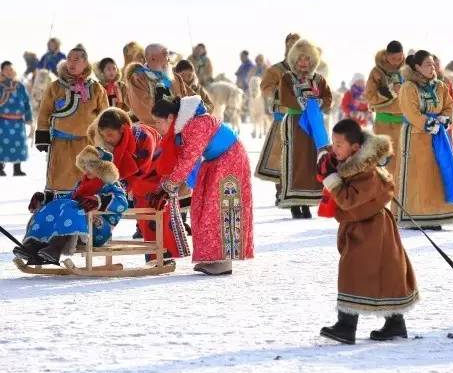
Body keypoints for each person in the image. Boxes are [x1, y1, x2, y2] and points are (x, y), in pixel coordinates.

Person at [318, 119, 418, 344]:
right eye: (333, 144)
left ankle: (346, 325)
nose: (334, 149)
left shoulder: (367, 173)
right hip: (365, 227)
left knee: (353, 272)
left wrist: (331, 179)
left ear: (355, 148)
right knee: (385, 272)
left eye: (338, 145)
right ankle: (395, 323)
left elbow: (348, 199)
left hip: (371, 229)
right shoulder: (353, 163)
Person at [150, 94, 254, 274]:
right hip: (215, 161)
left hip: (230, 159)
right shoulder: (184, 127)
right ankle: (213, 258)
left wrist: (169, 186)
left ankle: (224, 261)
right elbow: (179, 160)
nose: (156, 127)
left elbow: (188, 160)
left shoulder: (197, 125)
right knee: (202, 206)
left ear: (170, 118)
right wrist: (166, 185)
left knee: (220, 207)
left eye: (158, 122)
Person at [88, 107, 189, 260]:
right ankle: (154, 256)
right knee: (144, 220)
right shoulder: (114, 142)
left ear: (122, 129)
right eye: (104, 136)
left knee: (160, 214)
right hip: (140, 182)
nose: (108, 139)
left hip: (158, 175)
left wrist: (117, 188)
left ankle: (166, 255)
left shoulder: (143, 136)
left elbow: (142, 167)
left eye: (110, 135)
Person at [14, 146, 127, 265]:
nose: (86, 169)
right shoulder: (82, 184)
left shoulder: (110, 185)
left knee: (72, 207)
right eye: (84, 165)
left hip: (97, 230)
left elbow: (122, 203)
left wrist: (98, 201)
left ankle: (55, 248)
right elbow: (67, 199)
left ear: (103, 168)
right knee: (53, 208)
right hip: (77, 225)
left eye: (91, 166)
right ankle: (33, 244)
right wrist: (46, 199)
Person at [397, 50, 453, 229]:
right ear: (417, 67)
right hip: (416, 136)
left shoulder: (440, 86)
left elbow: (449, 105)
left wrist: (444, 117)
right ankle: (417, 216)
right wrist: (426, 123)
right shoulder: (409, 87)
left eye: (433, 64)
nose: (432, 67)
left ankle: (437, 215)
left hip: (438, 135)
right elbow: (410, 111)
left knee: (437, 174)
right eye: (427, 64)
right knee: (419, 177)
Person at [35, 47, 109, 199]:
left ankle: (87, 216)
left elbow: (105, 115)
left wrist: (106, 139)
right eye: (69, 59)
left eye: (76, 59)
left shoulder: (96, 88)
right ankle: (57, 212)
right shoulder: (55, 87)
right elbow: (44, 112)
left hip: (87, 144)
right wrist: (42, 133)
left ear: (85, 62)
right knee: (59, 180)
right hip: (61, 144)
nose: (71, 62)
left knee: (87, 180)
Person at [277, 38, 332, 219]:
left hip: (314, 125)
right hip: (295, 123)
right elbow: (285, 98)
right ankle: (295, 202)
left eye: (307, 59)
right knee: (296, 161)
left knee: (312, 160)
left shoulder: (319, 79)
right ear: (294, 60)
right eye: (300, 59)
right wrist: (303, 103)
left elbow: (328, 98)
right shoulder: (287, 78)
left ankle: (307, 201)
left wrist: (319, 103)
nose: (303, 63)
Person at [255, 33, 301, 201]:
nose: (293, 47)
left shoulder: (307, 70)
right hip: (282, 117)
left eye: (297, 44)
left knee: (300, 157)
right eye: (291, 44)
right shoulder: (276, 69)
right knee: (279, 157)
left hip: (302, 120)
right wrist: (283, 92)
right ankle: (281, 191)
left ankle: (297, 191)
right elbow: (265, 87)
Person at [364, 40, 406, 201]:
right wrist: (390, 91)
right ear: (387, 56)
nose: (397, 62)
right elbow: (370, 96)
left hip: (405, 123)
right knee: (385, 162)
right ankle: (383, 199)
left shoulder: (408, 70)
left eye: (399, 58)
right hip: (384, 124)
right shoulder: (377, 72)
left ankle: (401, 200)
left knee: (404, 163)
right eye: (393, 59)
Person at [124, 43, 192, 126]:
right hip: (154, 132)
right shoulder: (138, 79)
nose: (169, 60)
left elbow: (189, 98)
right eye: (165, 55)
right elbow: (144, 110)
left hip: (180, 126)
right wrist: (170, 120)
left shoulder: (175, 77)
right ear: (153, 58)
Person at [0, 61, 32, 177]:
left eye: (11, 69)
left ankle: (17, 169)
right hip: (3, 121)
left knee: (19, 144)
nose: (9, 71)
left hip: (18, 121)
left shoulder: (20, 86)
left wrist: (29, 117)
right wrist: (5, 94)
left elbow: (26, 102)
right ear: (2, 71)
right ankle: (0, 167)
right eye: (6, 69)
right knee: (2, 144)